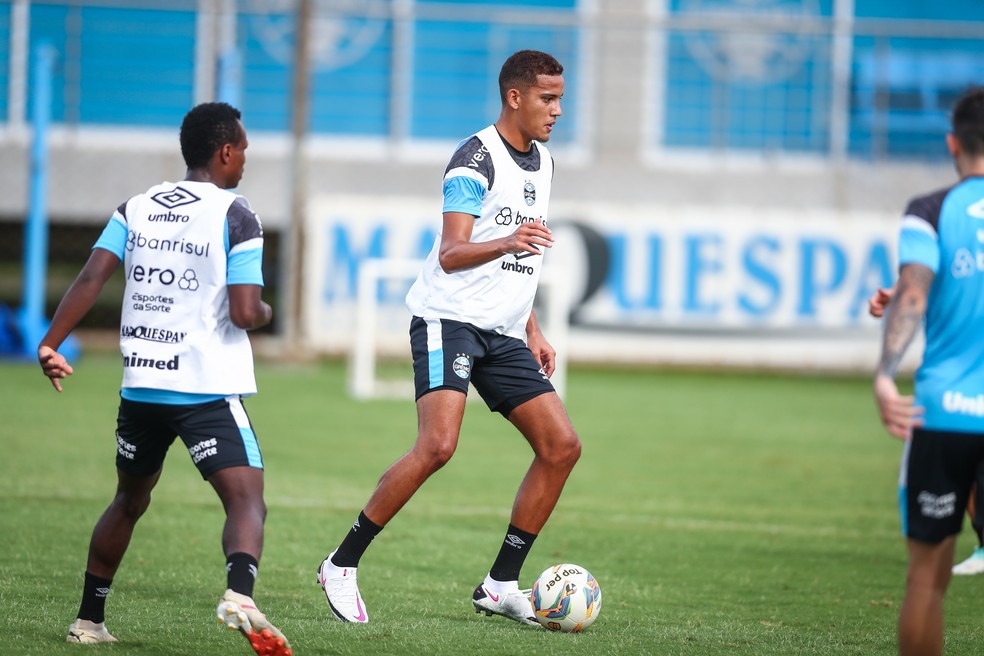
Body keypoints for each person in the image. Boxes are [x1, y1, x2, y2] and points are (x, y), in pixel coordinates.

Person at [316, 49, 581, 626]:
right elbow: (454, 252)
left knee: (561, 447)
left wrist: (532, 327)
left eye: (561, 97)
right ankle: (341, 562)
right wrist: (510, 240)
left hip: (505, 333)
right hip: (449, 321)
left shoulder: (545, 164)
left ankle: (500, 583)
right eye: (548, 98)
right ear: (515, 97)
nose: (558, 110)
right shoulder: (473, 160)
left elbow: (523, 262)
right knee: (438, 446)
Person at [38, 102, 291, 655]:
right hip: (204, 388)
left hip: (142, 387)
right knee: (247, 501)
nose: (245, 159)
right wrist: (269, 314)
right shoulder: (236, 213)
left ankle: (88, 620)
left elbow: (91, 276)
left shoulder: (137, 207)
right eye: (243, 149)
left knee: (129, 500)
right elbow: (248, 313)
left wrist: (50, 341)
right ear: (226, 151)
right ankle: (240, 595)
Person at [872, 86, 984, 656]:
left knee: (927, 581)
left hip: (943, 414)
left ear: (952, 143)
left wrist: (885, 373)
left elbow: (914, 294)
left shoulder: (932, 211)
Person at [869, 287, 984, 576]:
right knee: (964, 456)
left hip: (953, 390)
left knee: (925, 580)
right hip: (960, 389)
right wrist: (902, 289)